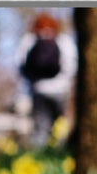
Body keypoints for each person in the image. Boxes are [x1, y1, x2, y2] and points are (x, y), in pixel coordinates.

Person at [15, 13, 78, 147]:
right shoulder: (63, 40)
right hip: (61, 89)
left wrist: (33, 82)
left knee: (40, 126)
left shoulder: (29, 40)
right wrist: (64, 82)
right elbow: (71, 65)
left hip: (38, 89)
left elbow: (20, 65)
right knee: (60, 125)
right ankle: (58, 152)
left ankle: (41, 154)